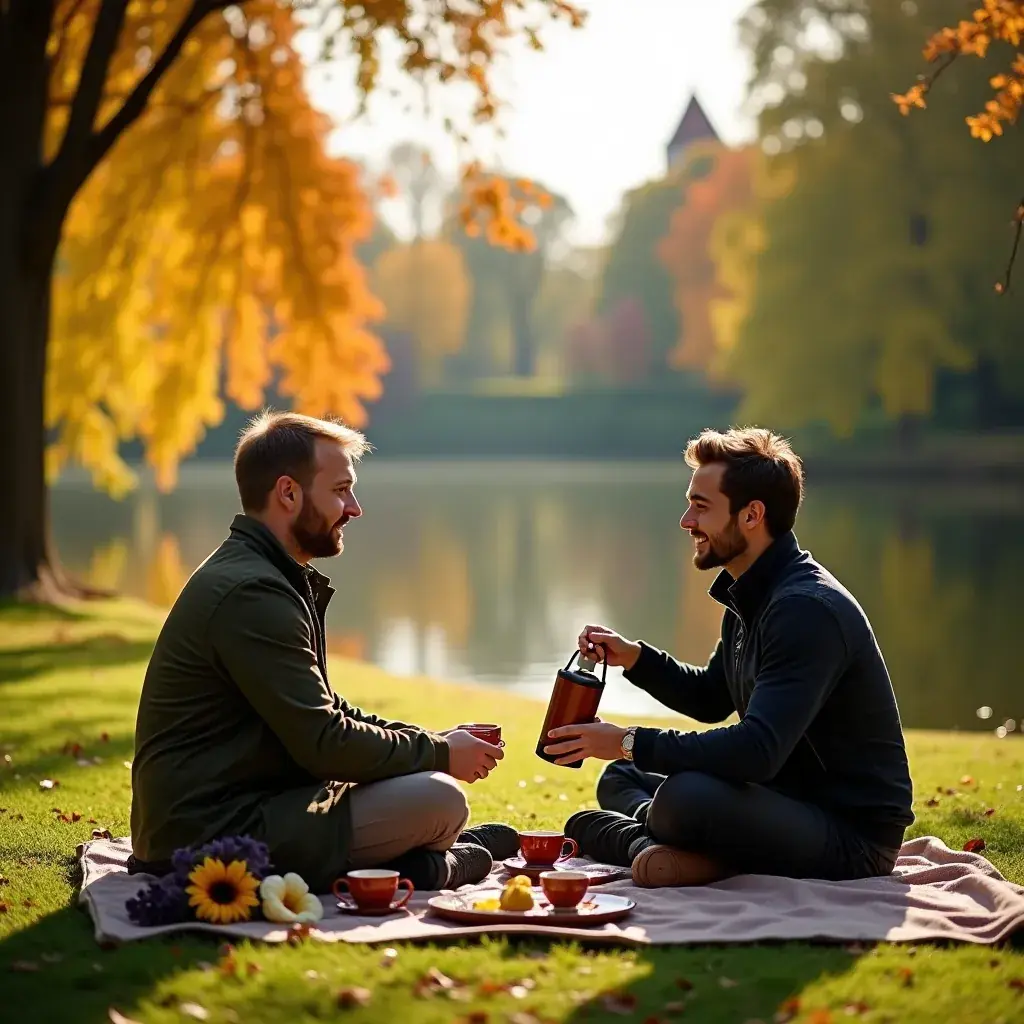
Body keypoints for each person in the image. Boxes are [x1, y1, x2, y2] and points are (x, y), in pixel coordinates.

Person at [129, 410, 518, 893]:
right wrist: (439, 753)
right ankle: (429, 866)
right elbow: (326, 743)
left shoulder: (265, 574)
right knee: (440, 801)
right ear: (288, 493)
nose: (354, 508)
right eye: (339, 490)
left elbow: (327, 716)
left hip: (251, 802)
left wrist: (432, 739)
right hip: (204, 835)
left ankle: (416, 850)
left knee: (426, 793)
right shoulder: (253, 594)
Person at [544, 427, 914, 888]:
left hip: (851, 838)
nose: (685, 521)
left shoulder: (805, 610)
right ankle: (657, 836)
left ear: (752, 515)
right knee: (623, 775)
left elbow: (756, 751)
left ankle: (652, 837)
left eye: (701, 506)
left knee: (682, 794)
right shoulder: (753, 593)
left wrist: (626, 738)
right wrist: (635, 658)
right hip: (784, 800)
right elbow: (710, 696)